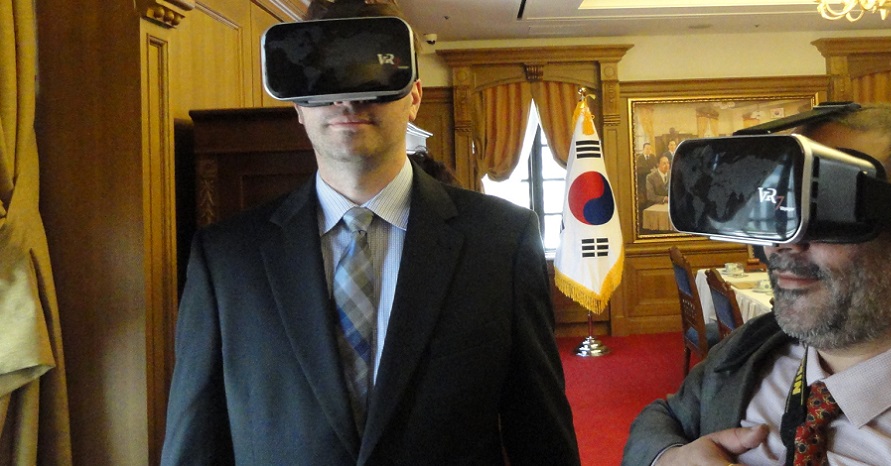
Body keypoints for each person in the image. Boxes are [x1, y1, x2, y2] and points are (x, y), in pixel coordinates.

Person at [160, 1, 580, 465]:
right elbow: (195, 444)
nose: (347, 98)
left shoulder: (501, 242)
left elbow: (541, 436)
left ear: (414, 95)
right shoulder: (226, 260)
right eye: (323, 76)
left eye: (370, 72)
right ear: (297, 104)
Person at [622, 104, 891, 465]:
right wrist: (668, 458)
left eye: (825, 207)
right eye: (780, 209)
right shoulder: (752, 348)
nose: (780, 244)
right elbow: (664, 417)